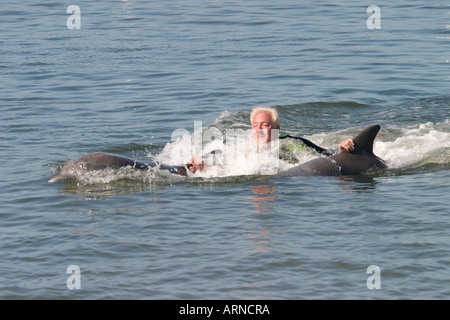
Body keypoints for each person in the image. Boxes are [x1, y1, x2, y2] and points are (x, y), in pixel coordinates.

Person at [188, 107, 354, 173]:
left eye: (265, 125)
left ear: (276, 128)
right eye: (255, 125)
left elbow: (326, 156)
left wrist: (342, 148)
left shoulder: (291, 144)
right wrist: (201, 160)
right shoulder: (244, 144)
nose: (259, 130)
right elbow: (222, 154)